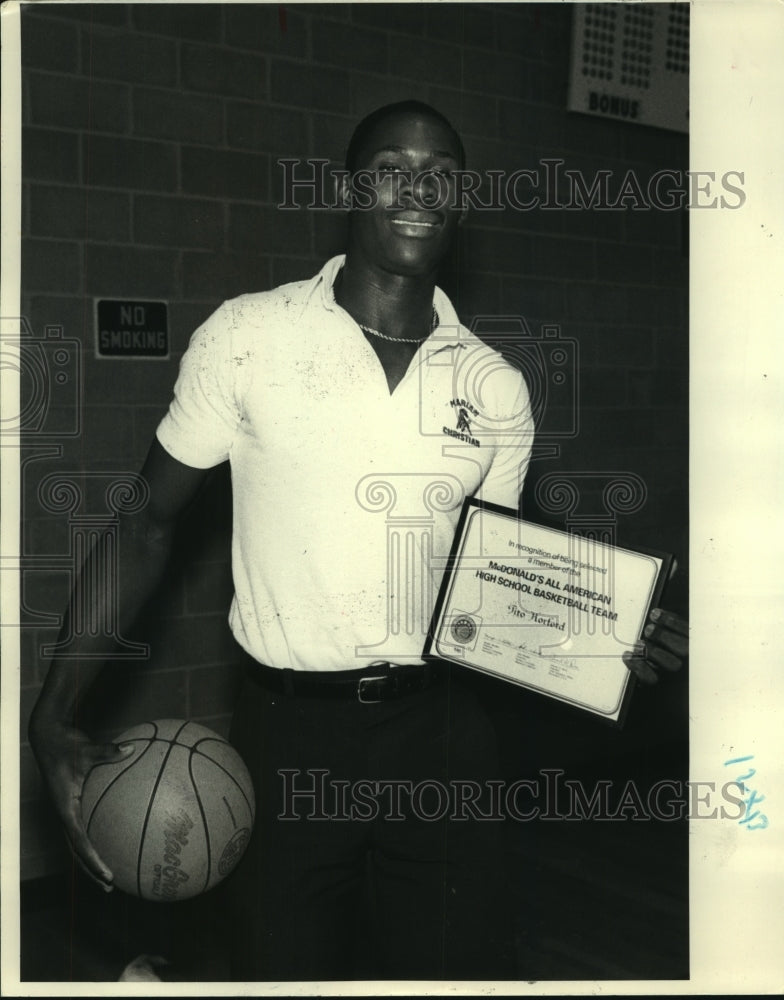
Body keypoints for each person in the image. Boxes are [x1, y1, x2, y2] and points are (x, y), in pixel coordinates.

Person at [28, 101, 688, 981]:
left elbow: (484, 574)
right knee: (286, 972)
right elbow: (146, 525)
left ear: (462, 199)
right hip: (289, 729)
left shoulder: (493, 384)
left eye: (442, 171)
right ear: (352, 187)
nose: (419, 187)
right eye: (393, 165)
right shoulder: (249, 336)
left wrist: (597, 619)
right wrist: (54, 711)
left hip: (442, 732)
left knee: (458, 973)